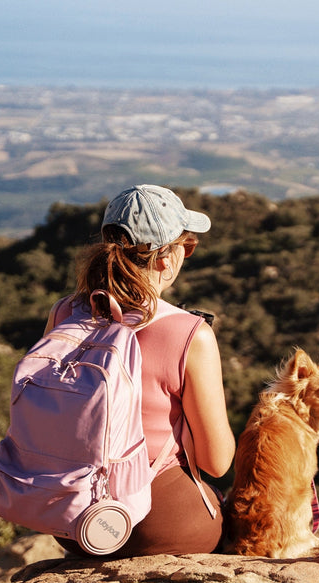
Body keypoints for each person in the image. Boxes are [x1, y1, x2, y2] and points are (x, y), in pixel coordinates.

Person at [46, 185, 235, 556]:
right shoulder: (190, 334)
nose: (187, 254)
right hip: (162, 528)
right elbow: (216, 461)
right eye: (187, 245)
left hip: (75, 523)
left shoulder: (64, 314)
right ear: (167, 258)